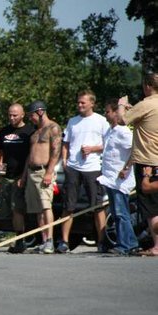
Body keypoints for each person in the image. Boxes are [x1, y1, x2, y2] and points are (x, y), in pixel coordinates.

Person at [57, 90, 109, 254]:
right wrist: (65, 160)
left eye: (83, 103)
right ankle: (64, 241)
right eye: (78, 102)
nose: (79, 105)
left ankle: (102, 242)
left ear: (92, 103)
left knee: (97, 206)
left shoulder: (101, 121)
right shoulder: (73, 121)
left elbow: (108, 144)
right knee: (68, 205)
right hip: (73, 167)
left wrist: (93, 148)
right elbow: (65, 143)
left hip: (93, 168)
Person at [116, 71, 158, 256]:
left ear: (148, 86)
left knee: (150, 207)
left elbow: (121, 120)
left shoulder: (146, 104)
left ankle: (157, 246)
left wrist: (121, 105)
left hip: (147, 161)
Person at [96, 99, 138, 255]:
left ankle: (127, 245)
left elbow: (135, 150)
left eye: (107, 112)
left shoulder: (123, 131)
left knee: (121, 213)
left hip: (120, 179)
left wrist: (126, 168)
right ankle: (127, 242)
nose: (105, 115)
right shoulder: (110, 131)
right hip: (109, 177)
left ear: (115, 112)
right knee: (116, 213)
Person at [21, 100, 62, 254]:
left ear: (40, 112)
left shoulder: (53, 128)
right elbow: (29, 156)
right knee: (38, 209)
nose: (30, 118)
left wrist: (49, 172)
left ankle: (50, 240)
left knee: (46, 206)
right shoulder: (35, 132)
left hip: (44, 171)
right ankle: (44, 240)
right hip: (32, 172)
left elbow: (55, 151)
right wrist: (24, 176)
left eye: (31, 115)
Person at [0, 103, 35, 253]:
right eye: (10, 115)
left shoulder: (30, 131)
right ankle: (17, 238)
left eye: (15, 115)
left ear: (23, 114)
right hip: (7, 176)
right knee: (8, 210)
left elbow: (33, 154)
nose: (12, 118)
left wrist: (24, 176)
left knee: (18, 208)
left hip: (22, 175)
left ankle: (20, 240)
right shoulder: (4, 131)